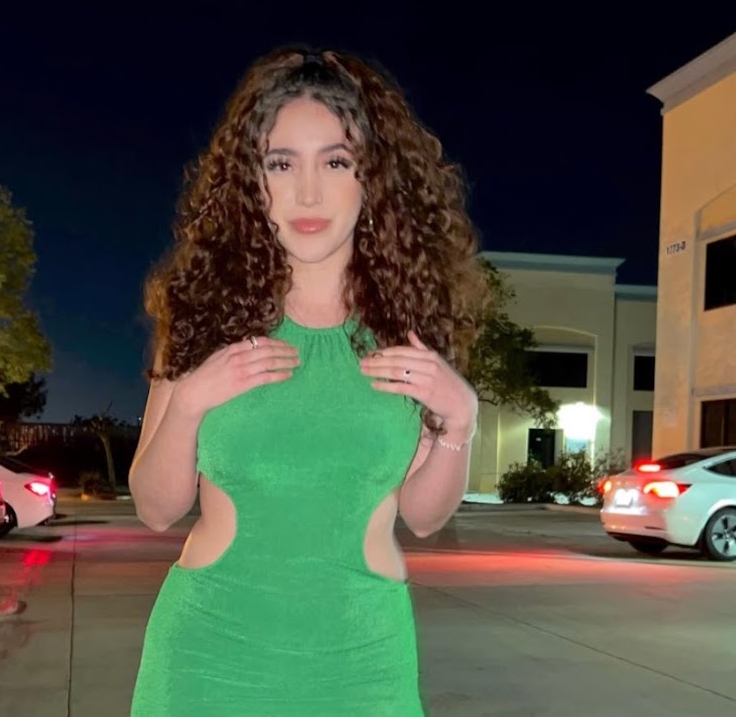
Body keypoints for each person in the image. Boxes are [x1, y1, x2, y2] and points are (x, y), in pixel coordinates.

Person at [129, 47, 484, 716]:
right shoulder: (204, 314)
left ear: (373, 176)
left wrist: (460, 421)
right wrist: (189, 404)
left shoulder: (410, 325)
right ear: (250, 178)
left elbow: (424, 517)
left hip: (364, 664)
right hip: (207, 661)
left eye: (336, 161)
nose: (309, 193)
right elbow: (156, 507)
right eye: (281, 163)